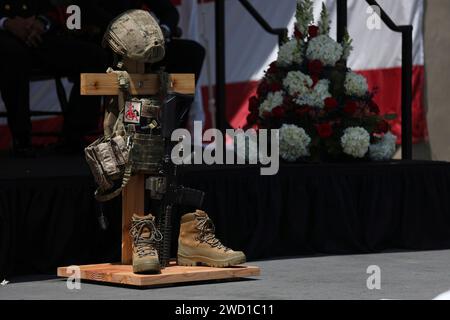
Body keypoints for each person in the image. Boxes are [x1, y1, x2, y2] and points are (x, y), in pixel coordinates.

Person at [0, 0, 108, 157]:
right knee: (13, 56)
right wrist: (6, 23)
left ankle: (75, 134)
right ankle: (21, 139)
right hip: (4, 37)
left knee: (94, 56)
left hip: (38, 34)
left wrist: (42, 22)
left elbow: (54, 6)